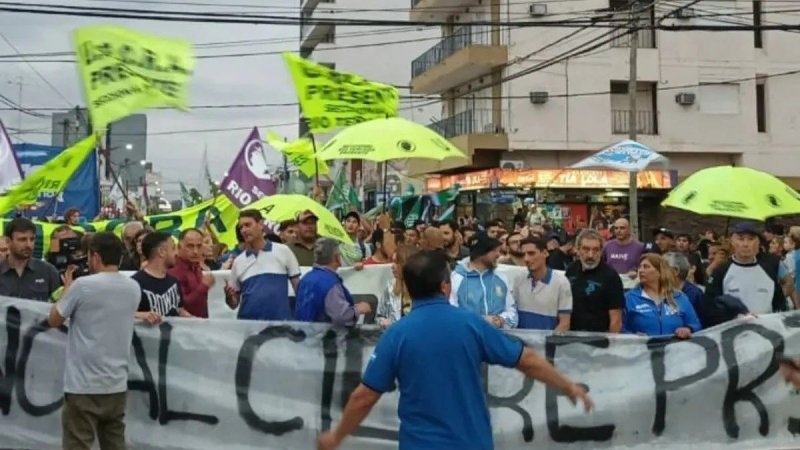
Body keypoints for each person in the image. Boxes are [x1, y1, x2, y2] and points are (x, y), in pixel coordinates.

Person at [317, 250, 593, 450]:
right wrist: (567, 386)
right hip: (472, 443)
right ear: (445, 286)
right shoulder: (471, 325)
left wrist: (337, 436)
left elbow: (364, 396)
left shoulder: (397, 335)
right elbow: (527, 360)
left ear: (410, 290)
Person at [47, 232, 140, 450]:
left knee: (78, 444)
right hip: (116, 384)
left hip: (83, 385)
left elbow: (54, 319)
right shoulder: (133, 287)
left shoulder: (83, 286)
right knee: (115, 444)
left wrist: (67, 288)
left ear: (95, 257)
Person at [225, 210, 301, 321]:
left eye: (247, 225)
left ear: (260, 224)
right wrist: (229, 298)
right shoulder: (238, 262)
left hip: (280, 325)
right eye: (241, 227)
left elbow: (298, 288)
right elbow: (234, 304)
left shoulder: (283, 251)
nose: (244, 230)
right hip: (249, 327)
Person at [705, 222, 786, 317]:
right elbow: (709, 307)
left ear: (758, 243)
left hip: (765, 329)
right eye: (741, 239)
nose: (745, 244)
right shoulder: (721, 272)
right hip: (733, 329)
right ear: (732, 242)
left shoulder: (768, 271)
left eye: (751, 239)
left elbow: (779, 305)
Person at [295, 238, 372, 326]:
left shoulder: (306, 278)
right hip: (323, 337)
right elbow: (341, 317)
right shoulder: (330, 284)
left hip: (304, 335)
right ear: (336, 257)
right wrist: (358, 309)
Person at [449, 232, 518, 329]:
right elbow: (451, 314)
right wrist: (481, 321)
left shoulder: (501, 278)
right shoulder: (456, 279)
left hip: (498, 339)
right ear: (481, 252)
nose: (498, 255)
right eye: (494, 250)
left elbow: (513, 313)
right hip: (469, 340)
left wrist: (501, 320)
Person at [623, 254, 701, 338]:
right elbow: (618, 328)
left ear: (660, 271)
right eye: (640, 267)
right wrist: (632, 336)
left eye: (646, 267)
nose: (641, 270)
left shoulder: (680, 297)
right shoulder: (629, 298)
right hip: (641, 349)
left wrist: (688, 329)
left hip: (675, 349)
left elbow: (696, 324)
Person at [565, 229, 624, 333]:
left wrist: (612, 346)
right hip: (572, 338)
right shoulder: (571, 270)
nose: (590, 255)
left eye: (595, 250)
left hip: (600, 341)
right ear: (577, 250)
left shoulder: (611, 276)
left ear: (601, 252)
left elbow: (616, 320)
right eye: (586, 249)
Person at [513, 237, 572, 331]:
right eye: (523, 254)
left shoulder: (561, 282)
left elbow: (564, 323)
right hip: (521, 344)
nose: (526, 258)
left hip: (547, 343)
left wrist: (549, 344)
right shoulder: (519, 279)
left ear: (545, 253)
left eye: (531, 253)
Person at [132, 232, 193, 322]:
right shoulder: (135, 284)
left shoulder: (174, 282)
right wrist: (140, 315)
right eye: (173, 248)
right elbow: (119, 314)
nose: (176, 253)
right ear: (161, 252)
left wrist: (194, 321)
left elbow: (179, 310)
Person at [0, 217, 61, 302]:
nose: (29, 245)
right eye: (22, 239)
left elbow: (59, 306)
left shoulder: (48, 271)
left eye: (32, 239)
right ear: (8, 241)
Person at [169, 228, 215, 318]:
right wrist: (203, 286)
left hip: (200, 325)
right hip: (183, 327)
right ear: (179, 247)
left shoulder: (196, 267)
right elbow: (180, 305)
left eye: (199, 246)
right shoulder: (173, 270)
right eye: (190, 246)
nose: (195, 251)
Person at [376, 244, 420, 328]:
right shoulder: (390, 288)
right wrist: (383, 322)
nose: (392, 266)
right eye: (392, 261)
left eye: (397, 262)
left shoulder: (426, 290)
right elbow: (379, 316)